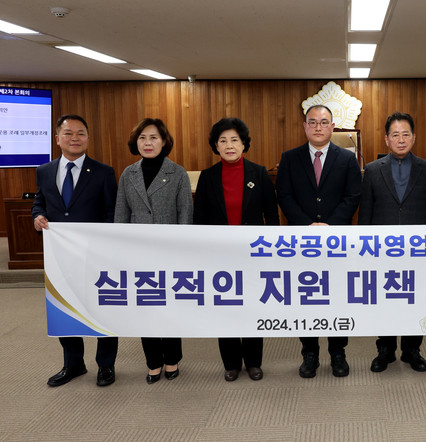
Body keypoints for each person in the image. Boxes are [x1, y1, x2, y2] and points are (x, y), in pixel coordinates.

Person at [33, 114, 119, 387]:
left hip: (96, 257)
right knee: (64, 308)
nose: (75, 138)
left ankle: (106, 365)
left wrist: (102, 244)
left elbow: (112, 213)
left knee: (103, 308)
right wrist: (37, 216)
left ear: (88, 138)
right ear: (57, 138)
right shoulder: (44, 171)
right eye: (68, 133)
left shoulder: (103, 172)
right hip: (60, 256)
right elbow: (40, 203)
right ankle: (73, 364)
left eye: (81, 133)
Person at [275, 105, 361, 378]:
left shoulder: (347, 159)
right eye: (312, 122)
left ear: (333, 127)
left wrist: (330, 226)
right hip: (302, 242)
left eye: (324, 122)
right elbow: (284, 196)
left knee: (337, 296)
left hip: (338, 241)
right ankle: (309, 353)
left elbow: (352, 196)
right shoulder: (290, 158)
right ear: (304, 126)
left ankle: (338, 352)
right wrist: (307, 225)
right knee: (306, 298)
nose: (318, 127)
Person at [193, 118, 279, 382]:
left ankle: (253, 362)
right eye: (223, 141)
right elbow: (200, 220)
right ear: (216, 146)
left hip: (253, 253)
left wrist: (271, 251)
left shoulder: (259, 173)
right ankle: (231, 363)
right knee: (225, 307)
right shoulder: (208, 177)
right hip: (219, 255)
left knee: (252, 305)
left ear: (244, 144)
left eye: (234, 140)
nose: (229, 145)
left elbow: (271, 216)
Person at [358, 112, 426, 373]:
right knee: (384, 300)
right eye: (395, 135)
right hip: (382, 251)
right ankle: (385, 349)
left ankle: (412, 349)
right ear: (386, 139)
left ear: (414, 137)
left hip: (418, 252)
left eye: (406, 134)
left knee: (416, 300)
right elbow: (365, 214)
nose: (401, 139)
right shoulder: (373, 170)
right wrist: (364, 250)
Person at [114, 118, 193, 383]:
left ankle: (172, 359)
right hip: (137, 253)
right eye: (142, 138)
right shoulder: (128, 174)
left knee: (169, 307)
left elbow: (185, 215)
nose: (147, 143)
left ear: (164, 141)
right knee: (145, 307)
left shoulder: (177, 173)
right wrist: (121, 251)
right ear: (136, 142)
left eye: (153, 137)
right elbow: (121, 216)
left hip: (169, 252)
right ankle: (153, 362)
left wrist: (181, 252)